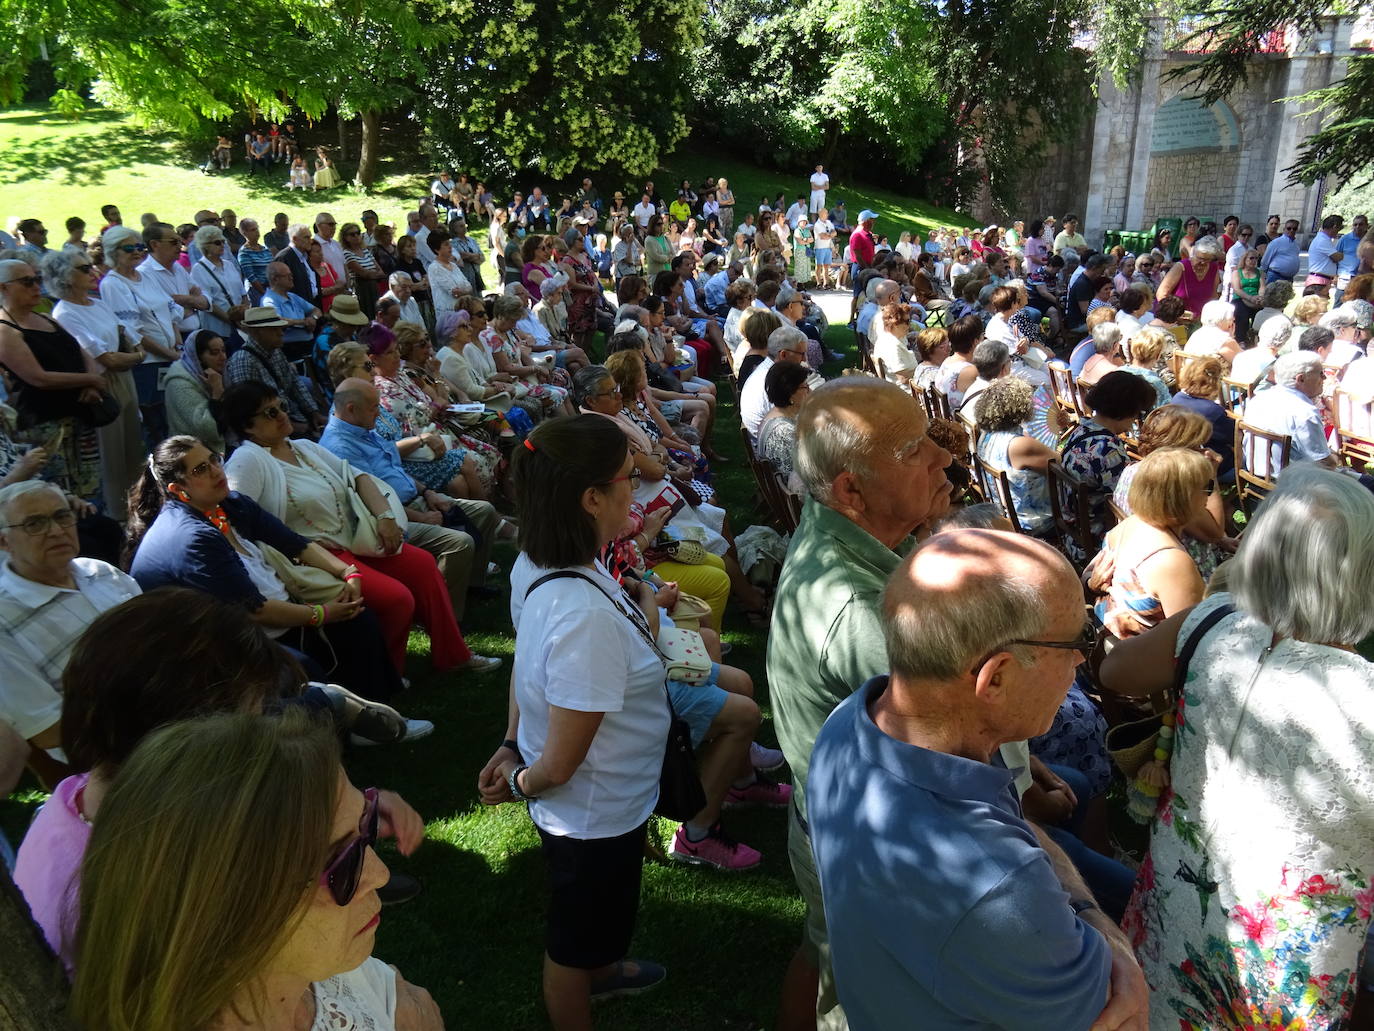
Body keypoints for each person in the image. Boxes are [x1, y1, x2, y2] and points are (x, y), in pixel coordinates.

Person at [808, 528, 1146, 1031]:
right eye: (1074, 642)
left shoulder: (854, 723)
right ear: (997, 677)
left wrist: (1081, 908)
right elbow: (1119, 1018)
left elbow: (1008, 818)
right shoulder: (998, 890)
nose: (1081, 661)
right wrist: (1116, 944)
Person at [1100, 465, 1374, 1031]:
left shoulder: (1212, 622)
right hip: (1286, 949)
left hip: (1181, 890)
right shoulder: (1361, 697)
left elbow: (1115, 670)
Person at [767, 376, 956, 1031]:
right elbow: (952, 757)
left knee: (825, 955)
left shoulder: (846, 536)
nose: (944, 458)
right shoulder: (858, 613)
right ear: (852, 488)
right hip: (870, 843)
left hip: (829, 816)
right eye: (916, 450)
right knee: (863, 998)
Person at [68, 709, 443, 1031]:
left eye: (366, 827)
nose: (378, 875)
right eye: (339, 864)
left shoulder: (311, 964)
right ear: (219, 916)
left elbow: (397, 994)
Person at [477, 415, 670, 1029]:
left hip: (605, 801)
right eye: (627, 481)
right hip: (593, 810)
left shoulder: (544, 564)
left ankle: (604, 968)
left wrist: (510, 742)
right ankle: (584, 987)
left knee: (600, 914)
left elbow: (526, 666)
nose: (634, 493)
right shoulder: (580, 614)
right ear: (591, 498)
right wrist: (519, 782)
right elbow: (559, 766)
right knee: (574, 934)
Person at [222, 380, 499, 677]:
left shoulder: (302, 447)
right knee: (397, 599)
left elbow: (360, 478)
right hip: (315, 557)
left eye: (281, 406)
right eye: (269, 413)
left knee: (422, 565)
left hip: (356, 540)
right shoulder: (248, 461)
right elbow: (240, 525)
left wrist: (385, 518)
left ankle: (453, 655)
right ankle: (386, 675)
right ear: (248, 427)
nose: (281, 415)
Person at [126, 435, 405, 701]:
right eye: (201, 469)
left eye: (213, 459)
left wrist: (348, 572)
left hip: (262, 622)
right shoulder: (192, 536)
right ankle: (355, 723)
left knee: (358, 622)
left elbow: (295, 544)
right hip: (211, 647)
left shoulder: (230, 505)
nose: (215, 470)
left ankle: (374, 706)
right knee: (305, 670)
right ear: (178, 489)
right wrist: (322, 613)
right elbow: (253, 610)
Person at [322, 373, 504, 623]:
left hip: (414, 501)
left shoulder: (362, 429)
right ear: (351, 409)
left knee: (484, 511)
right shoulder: (340, 447)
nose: (379, 412)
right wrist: (421, 516)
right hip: (391, 519)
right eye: (375, 407)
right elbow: (371, 501)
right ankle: (444, 618)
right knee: (459, 542)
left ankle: (471, 586)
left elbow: (395, 470)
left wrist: (427, 492)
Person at [0, 479, 141, 757]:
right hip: (113, 754)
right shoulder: (5, 619)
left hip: (177, 713)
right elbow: (48, 730)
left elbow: (168, 639)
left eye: (62, 516)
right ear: (4, 541)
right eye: (35, 524)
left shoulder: (102, 573)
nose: (55, 531)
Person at [43, 250, 145, 515]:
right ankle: (120, 516)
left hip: (125, 377)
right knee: (112, 455)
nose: (94, 272)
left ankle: (142, 506)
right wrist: (137, 356)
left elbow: (126, 333)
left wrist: (131, 355)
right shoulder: (65, 313)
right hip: (102, 384)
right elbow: (106, 358)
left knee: (134, 448)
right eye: (84, 268)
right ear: (65, 277)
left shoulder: (97, 303)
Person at [0, 260, 109, 500]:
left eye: (37, 279)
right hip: (45, 426)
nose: (37, 286)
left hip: (81, 416)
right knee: (58, 494)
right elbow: (38, 378)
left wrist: (91, 383)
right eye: (27, 281)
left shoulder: (48, 319)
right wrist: (91, 379)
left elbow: (83, 353)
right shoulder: (5, 330)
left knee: (91, 491)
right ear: (3, 288)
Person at [1086, 447, 1211, 637]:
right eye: (1207, 487)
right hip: (1145, 658)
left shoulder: (1126, 526)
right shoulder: (1171, 561)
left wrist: (1090, 584)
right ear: (1183, 499)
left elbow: (1087, 578)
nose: (1208, 496)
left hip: (1111, 640)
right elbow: (1191, 638)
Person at [1059, 371, 1158, 564]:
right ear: (1127, 410)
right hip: (1099, 544)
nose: (1137, 419)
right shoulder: (1107, 450)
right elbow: (1132, 506)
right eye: (1139, 413)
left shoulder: (1082, 430)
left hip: (1074, 535)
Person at [225, 306, 326, 437]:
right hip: (274, 430)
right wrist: (291, 426)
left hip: (293, 418)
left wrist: (313, 412)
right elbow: (250, 410)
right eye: (274, 329)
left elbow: (294, 382)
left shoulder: (276, 351)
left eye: (281, 328)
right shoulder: (243, 361)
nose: (281, 333)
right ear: (257, 332)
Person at [974, 376, 1056, 534]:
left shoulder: (986, 435)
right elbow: (1065, 467)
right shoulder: (1020, 445)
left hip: (1002, 512)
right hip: (1033, 521)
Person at [163, 329, 227, 454]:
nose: (223, 357)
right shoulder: (179, 383)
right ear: (198, 357)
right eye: (215, 353)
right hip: (190, 453)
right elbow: (209, 430)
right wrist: (217, 393)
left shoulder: (217, 374)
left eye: (224, 351)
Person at [1170, 355, 1235, 476]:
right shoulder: (1212, 410)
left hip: (1186, 463)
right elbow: (1234, 438)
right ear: (1214, 381)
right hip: (1214, 467)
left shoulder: (1177, 398)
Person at [755, 360, 812, 485]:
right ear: (790, 393)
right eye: (805, 387)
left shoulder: (775, 414)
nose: (811, 391)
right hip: (798, 496)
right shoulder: (783, 431)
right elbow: (801, 476)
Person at [1259, 217, 1301, 285]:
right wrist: (1263, 276)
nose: (1291, 230)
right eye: (1289, 228)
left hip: (1289, 278)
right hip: (1275, 276)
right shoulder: (1276, 242)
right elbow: (1265, 260)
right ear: (1284, 229)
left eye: (1294, 229)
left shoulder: (1296, 245)